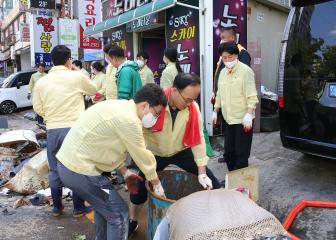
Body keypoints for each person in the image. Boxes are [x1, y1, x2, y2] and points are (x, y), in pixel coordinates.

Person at [56, 84, 167, 240]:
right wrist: (157, 184)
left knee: (105, 210)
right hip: (80, 171)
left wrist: (125, 172)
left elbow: (106, 148)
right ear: (145, 106)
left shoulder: (120, 107)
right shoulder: (129, 120)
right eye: (156, 113)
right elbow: (143, 156)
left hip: (72, 166)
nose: (155, 119)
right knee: (118, 213)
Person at [129, 73, 221, 236]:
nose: (190, 104)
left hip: (181, 151)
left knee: (212, 182)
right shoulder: (155, 105)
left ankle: (216, 219)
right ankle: (132, 220)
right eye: (187, 99)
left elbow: (198, 138)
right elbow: (138, 136)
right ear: (174, 91)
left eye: (194, 99)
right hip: (155, 153)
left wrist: (202, 171)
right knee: (139, 189)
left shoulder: (193, 108)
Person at [33, 45, 97, 217]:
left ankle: (57, 207)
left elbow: (37, 108)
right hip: (75, 129)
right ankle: (78, 207)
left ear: (52, 61)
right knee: (76, 167)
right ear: (69, 60)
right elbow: (93, 90)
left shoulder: (41, 81)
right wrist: (77, 70)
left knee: (54, 169)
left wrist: (52, 116)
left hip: (53, 129)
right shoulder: (77, 76)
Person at [213, 42, 258, 171]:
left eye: (230, 57)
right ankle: (233, 178)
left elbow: (252, 96)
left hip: (243, 120)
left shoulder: (246, 71)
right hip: (229, 119)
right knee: (229, 153)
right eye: (224, 58)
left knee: (241, 154)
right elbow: (220, 93)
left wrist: (249, 114)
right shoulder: (222, 73)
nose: (227, 60)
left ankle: (241, 184)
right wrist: (215, 111)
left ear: (236, 55)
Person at [213, 27, 251, 98]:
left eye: (223, 38)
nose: (221, 41)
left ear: (232, 38)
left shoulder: (242, 53)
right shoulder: (225, 54)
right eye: (221, 38)